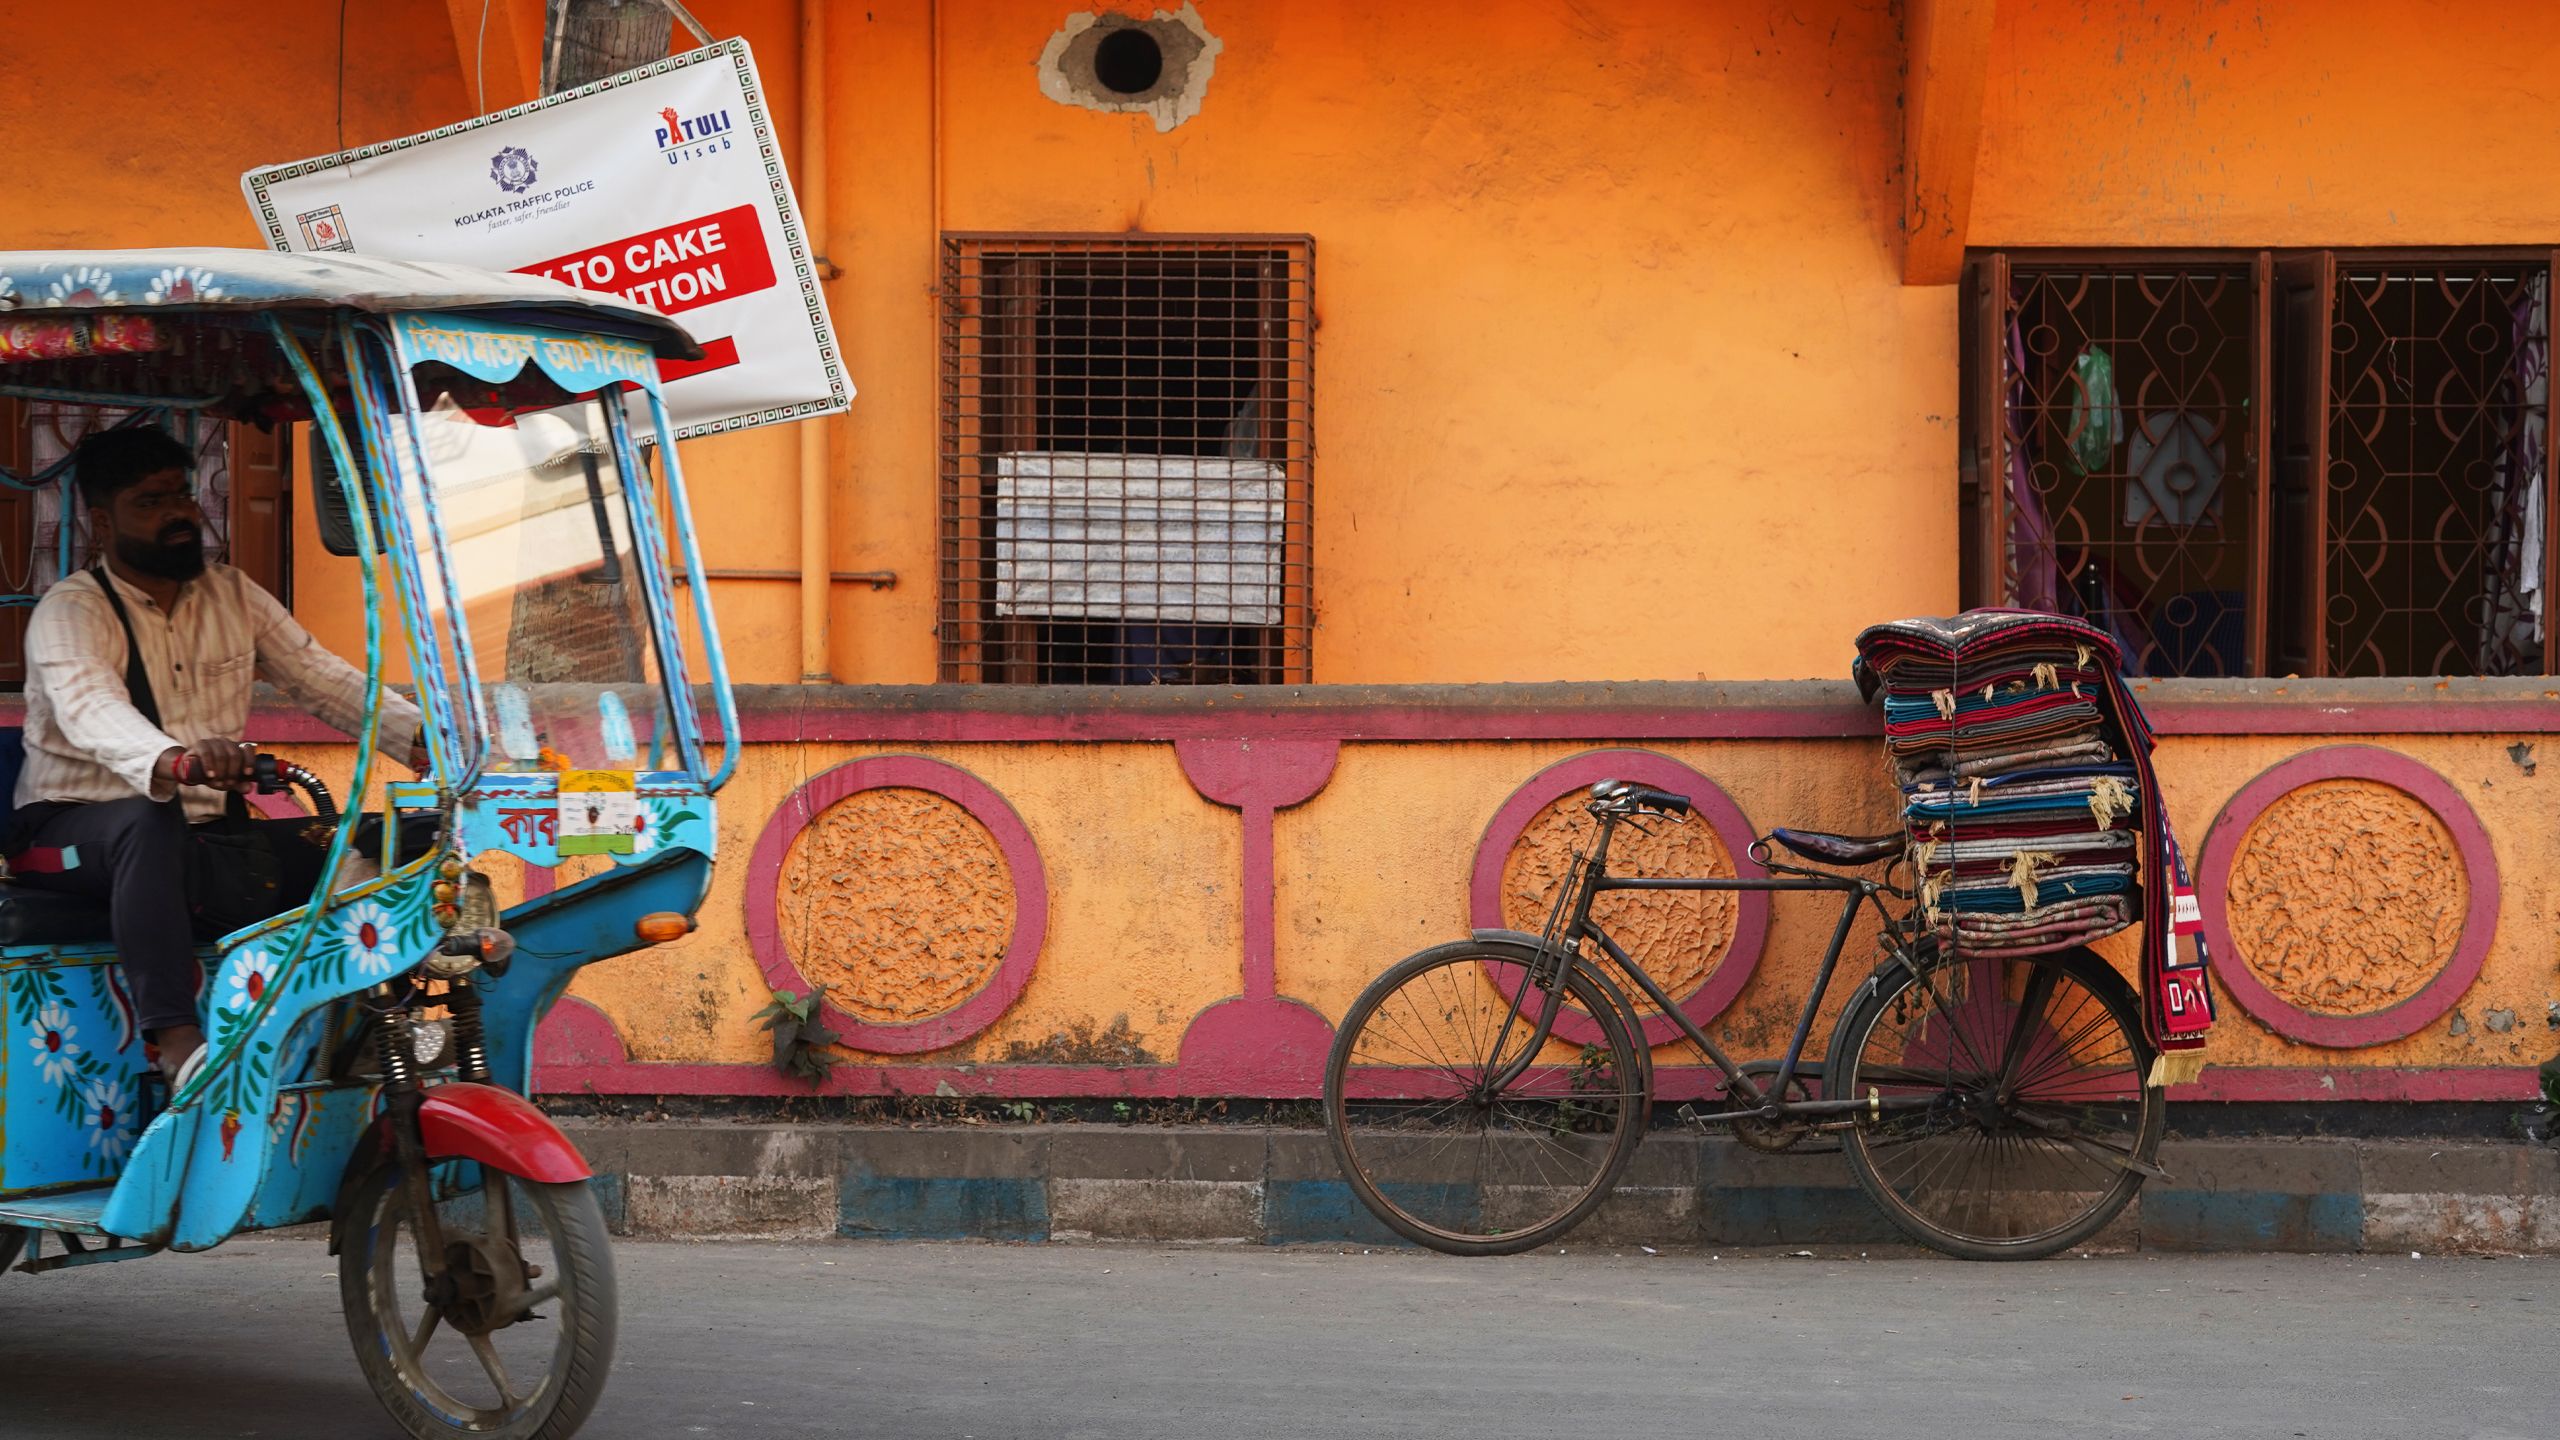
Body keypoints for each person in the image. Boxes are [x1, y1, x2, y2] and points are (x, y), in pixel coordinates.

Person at [8, 424, 427, 1085]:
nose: (177, 513)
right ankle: (176, 1043)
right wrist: (175, 760)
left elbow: (324, 680)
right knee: (148, 822)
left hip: (205, 836)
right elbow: (91, 709)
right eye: (149, 503)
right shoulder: (70, 610)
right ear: (100, 523)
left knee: (383, 841)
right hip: (65, 833)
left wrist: (427, 741)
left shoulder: (232, 592)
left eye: (180, 495)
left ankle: (366, 1028)